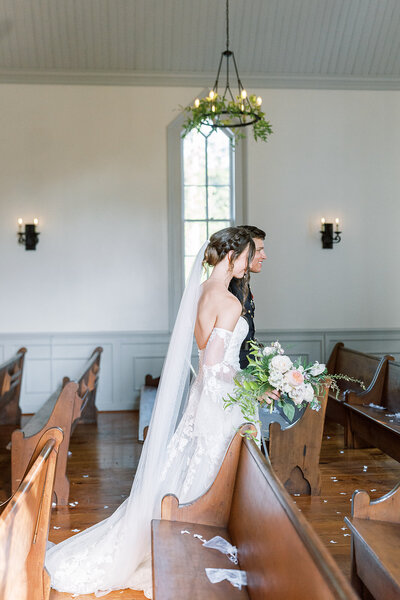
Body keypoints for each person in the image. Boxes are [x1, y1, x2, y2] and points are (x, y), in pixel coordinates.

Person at [45, 226, 257, 599]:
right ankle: (194, 537)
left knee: (189, 465)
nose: (248, 264)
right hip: (219, 400)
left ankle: (178, 532)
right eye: (246, 257)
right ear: (232, 256)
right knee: (208, 470)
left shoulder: (200, 294)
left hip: (201, 400)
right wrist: (253, 383)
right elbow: (213, 366)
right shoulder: (229, 302)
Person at [228, 225, 266, 368]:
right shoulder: (230, 287)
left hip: (247, 361)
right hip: (235, 366)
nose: (264, 256)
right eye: (259, 250)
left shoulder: (242, 282)